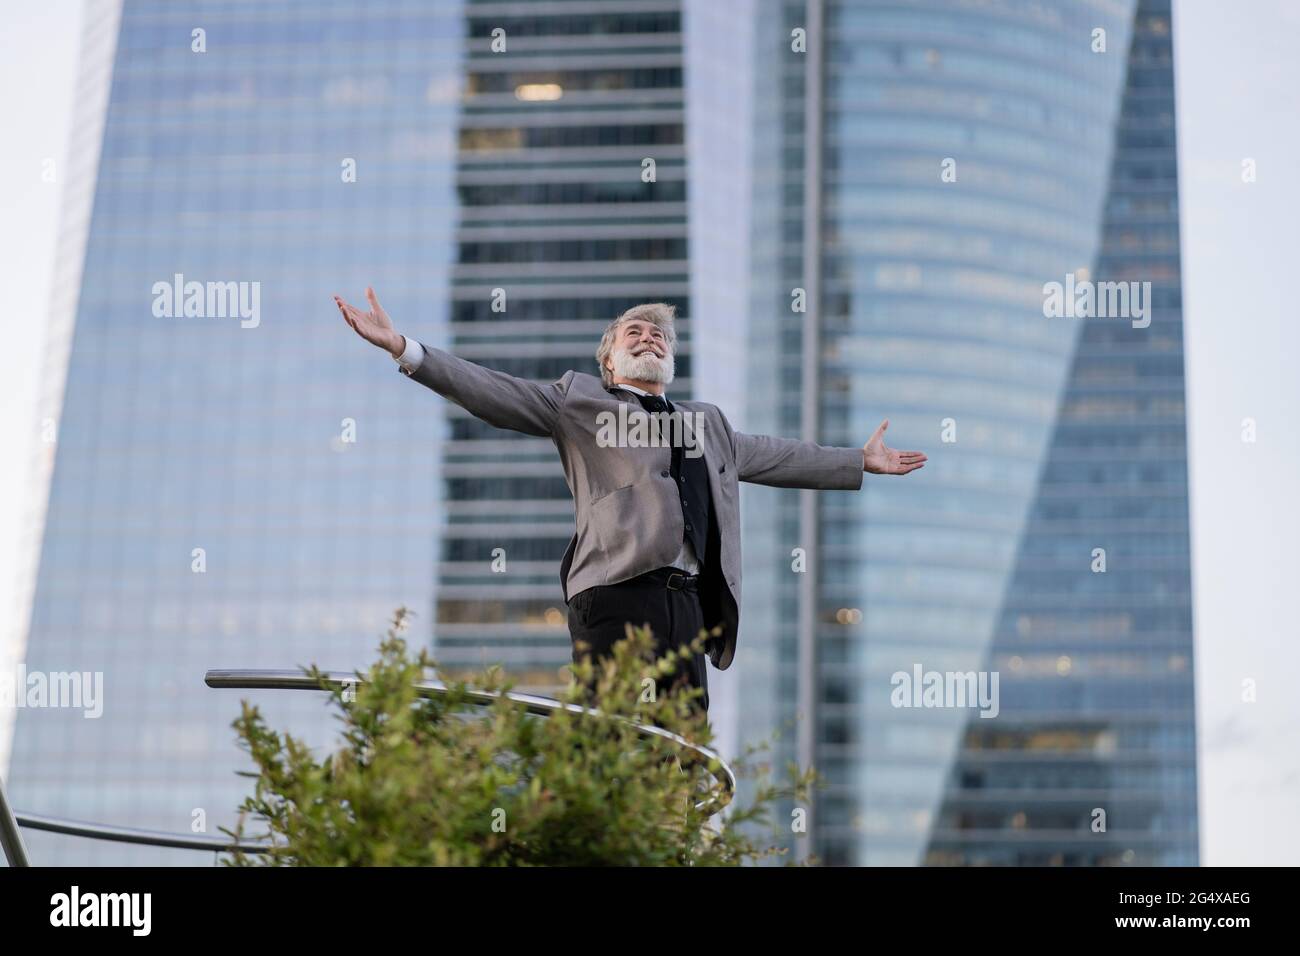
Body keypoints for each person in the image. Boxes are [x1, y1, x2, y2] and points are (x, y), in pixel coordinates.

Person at [334, 289, 926, 718]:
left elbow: (773, 455)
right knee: (613, 731)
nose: (650, 339)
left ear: (671, 360)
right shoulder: (580, 403)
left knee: (682, 747)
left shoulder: (706, 424)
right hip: (616, 591)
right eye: (634, 333)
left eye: (660, 335)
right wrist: (405, 350)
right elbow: (495, 391)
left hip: (691, 605)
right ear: (610, 359)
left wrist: (857, 460)